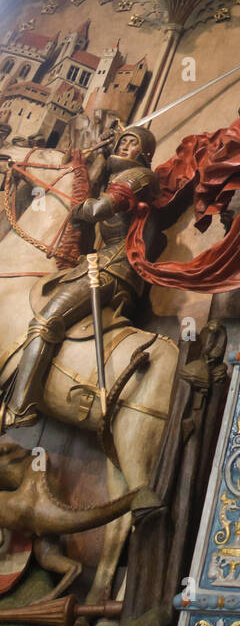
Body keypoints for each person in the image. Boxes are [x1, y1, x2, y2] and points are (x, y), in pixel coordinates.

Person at [2, 125, 159, 428]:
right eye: (123, 141)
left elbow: (98, 210)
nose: (124, 146)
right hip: (103, 261)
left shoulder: (137, 177)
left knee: (47, 321)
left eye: (131, 143)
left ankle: (21, 408)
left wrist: (75, 188)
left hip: (113, 267)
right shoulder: (116, 178)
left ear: (144, 153)